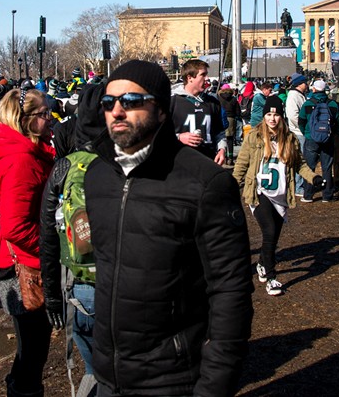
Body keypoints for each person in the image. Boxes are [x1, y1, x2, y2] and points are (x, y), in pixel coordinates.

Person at [85, 60, 253, 396]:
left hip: (173, 379)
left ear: (161, 110)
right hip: (108, 375)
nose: (117, 110)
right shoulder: (97, 176)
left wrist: (214, 386)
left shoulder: (206, 184)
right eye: (108, 102)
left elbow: (231, 294)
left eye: (131, 101)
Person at [0, 87, 56, 397]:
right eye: (44, 114)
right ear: (24, 120)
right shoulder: (21, 158)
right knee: (32, 354)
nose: (50, 118)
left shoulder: (26, 150)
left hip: (23, 261)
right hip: (24, 267)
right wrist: (52, 253)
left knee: (31, 350)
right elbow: (16, 226)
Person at [39, 83, 105, 397]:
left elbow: (48, 238)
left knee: (94, 369)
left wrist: (52, 293)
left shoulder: (63, 168)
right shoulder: (130, 166)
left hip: (79, 287)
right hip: (128, 288)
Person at [232, 94, 301, 296]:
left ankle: (262, 262)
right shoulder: (253, 136)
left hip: (280, 194)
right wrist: (231, 185)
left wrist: (313, 178)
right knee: (269, 231)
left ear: (281, 117)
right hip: (259, 191)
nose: (272, 118)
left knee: (273, 236)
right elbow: (242, 163)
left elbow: (300, 164)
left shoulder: (289, 138)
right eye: (269, 114)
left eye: (276, 114)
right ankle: (271, 278)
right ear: (264, 116)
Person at [170, 59, 227, 165]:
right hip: (180, 163)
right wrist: (179, 137)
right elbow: (158, 135)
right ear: (189, 78)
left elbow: (219, 132)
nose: (207, 78)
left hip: (208, 161)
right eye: (203, 75)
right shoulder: (171, 101)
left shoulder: (213, 102)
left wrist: (222, 149)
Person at [299, 79, 339, 203]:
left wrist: (306, 133)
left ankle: (308, 194)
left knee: (309, 167)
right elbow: (338, 121)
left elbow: (301, 121)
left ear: (313, 89)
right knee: (327, 167)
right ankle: (327, 195)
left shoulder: (307, 104)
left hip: (311, 138)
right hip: (328, 139)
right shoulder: (332, 104)